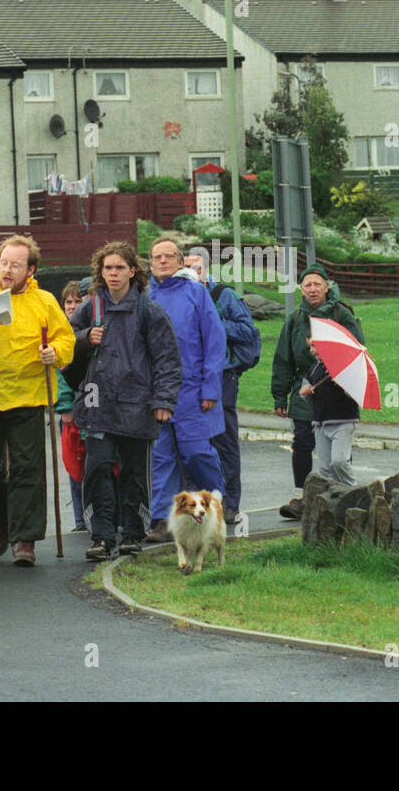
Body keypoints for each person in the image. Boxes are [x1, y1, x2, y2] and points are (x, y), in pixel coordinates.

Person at [70, 241, 181, 560]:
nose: (113, 273)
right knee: (98, 469)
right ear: (100, 273)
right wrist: (83, 338)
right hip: (96, 406)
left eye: (120, 267)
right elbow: (65, 349)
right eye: (107, 268)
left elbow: (168, 360)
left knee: (134, 473)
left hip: (138, 405)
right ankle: (101, 536)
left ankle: (133, 533)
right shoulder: (88, 309)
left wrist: (164, 400)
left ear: (133, 271)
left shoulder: (150, 311)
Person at [0, 235, 74, 567]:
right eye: (3, 263)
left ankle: (24, 539)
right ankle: (0, 527)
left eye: (15, 265)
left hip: (29, 396)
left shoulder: (44, 301)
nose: (7, 270)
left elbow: (66, 338)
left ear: (30, 269)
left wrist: (53, 352)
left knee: (27, 469)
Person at [146, 238, 228, 544]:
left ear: (181, 262)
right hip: (155, 392)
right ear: (150, 263)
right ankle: (163, 520)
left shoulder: (196, 293)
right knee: (161, 457)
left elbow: (215, 341)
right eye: (157, 257)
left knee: (196, 453)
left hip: (192, 391)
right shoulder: (144, 295)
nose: (163, 261)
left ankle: (217, 501)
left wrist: (210, 387)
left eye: (169, 256)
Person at [272, 262, 364, 517]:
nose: (312, 289)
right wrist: (280, 394)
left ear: (326, 287)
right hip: (304, 388)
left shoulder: (341, 314)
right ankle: (304, 497)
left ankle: (343, 494)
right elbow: (283, 358)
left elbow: (357, 349)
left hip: (336, 388)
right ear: (302, 289)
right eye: (307, 285)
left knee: (337, 453)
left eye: (317, 284)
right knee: (302, 442)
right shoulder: (294, 319)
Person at [184, 251, 261, 524]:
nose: (193, 274)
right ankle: (197, 504)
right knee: (193, 442)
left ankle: (231, 502)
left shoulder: (223, 296)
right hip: (191, 377)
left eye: (197, 268)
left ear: (207, 269)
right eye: (187, 268)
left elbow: (248, 331)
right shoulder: (181, 296)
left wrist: (213, 322)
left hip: (223, 376)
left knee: (224, 439)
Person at [299, 336, 360, 484]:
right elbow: (304, 388)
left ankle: (352, 489)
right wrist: (304, 391)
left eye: (315, 345)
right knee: (325, 469)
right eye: (310, 346)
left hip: (343, 421)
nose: (312, 350)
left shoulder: (344, 366)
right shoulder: (314, 369)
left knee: (339, 462)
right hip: (320, 422)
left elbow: (355, 391)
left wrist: (343, 383)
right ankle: (333, 498)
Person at [55, 281, 89, 531]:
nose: (73, 306)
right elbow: (59, 373)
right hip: (69, 409)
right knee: (75, 464)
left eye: (78, 301)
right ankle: (80, 519)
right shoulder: (61, 332)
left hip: (93, 406)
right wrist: (64, 406)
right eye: (69, 302)